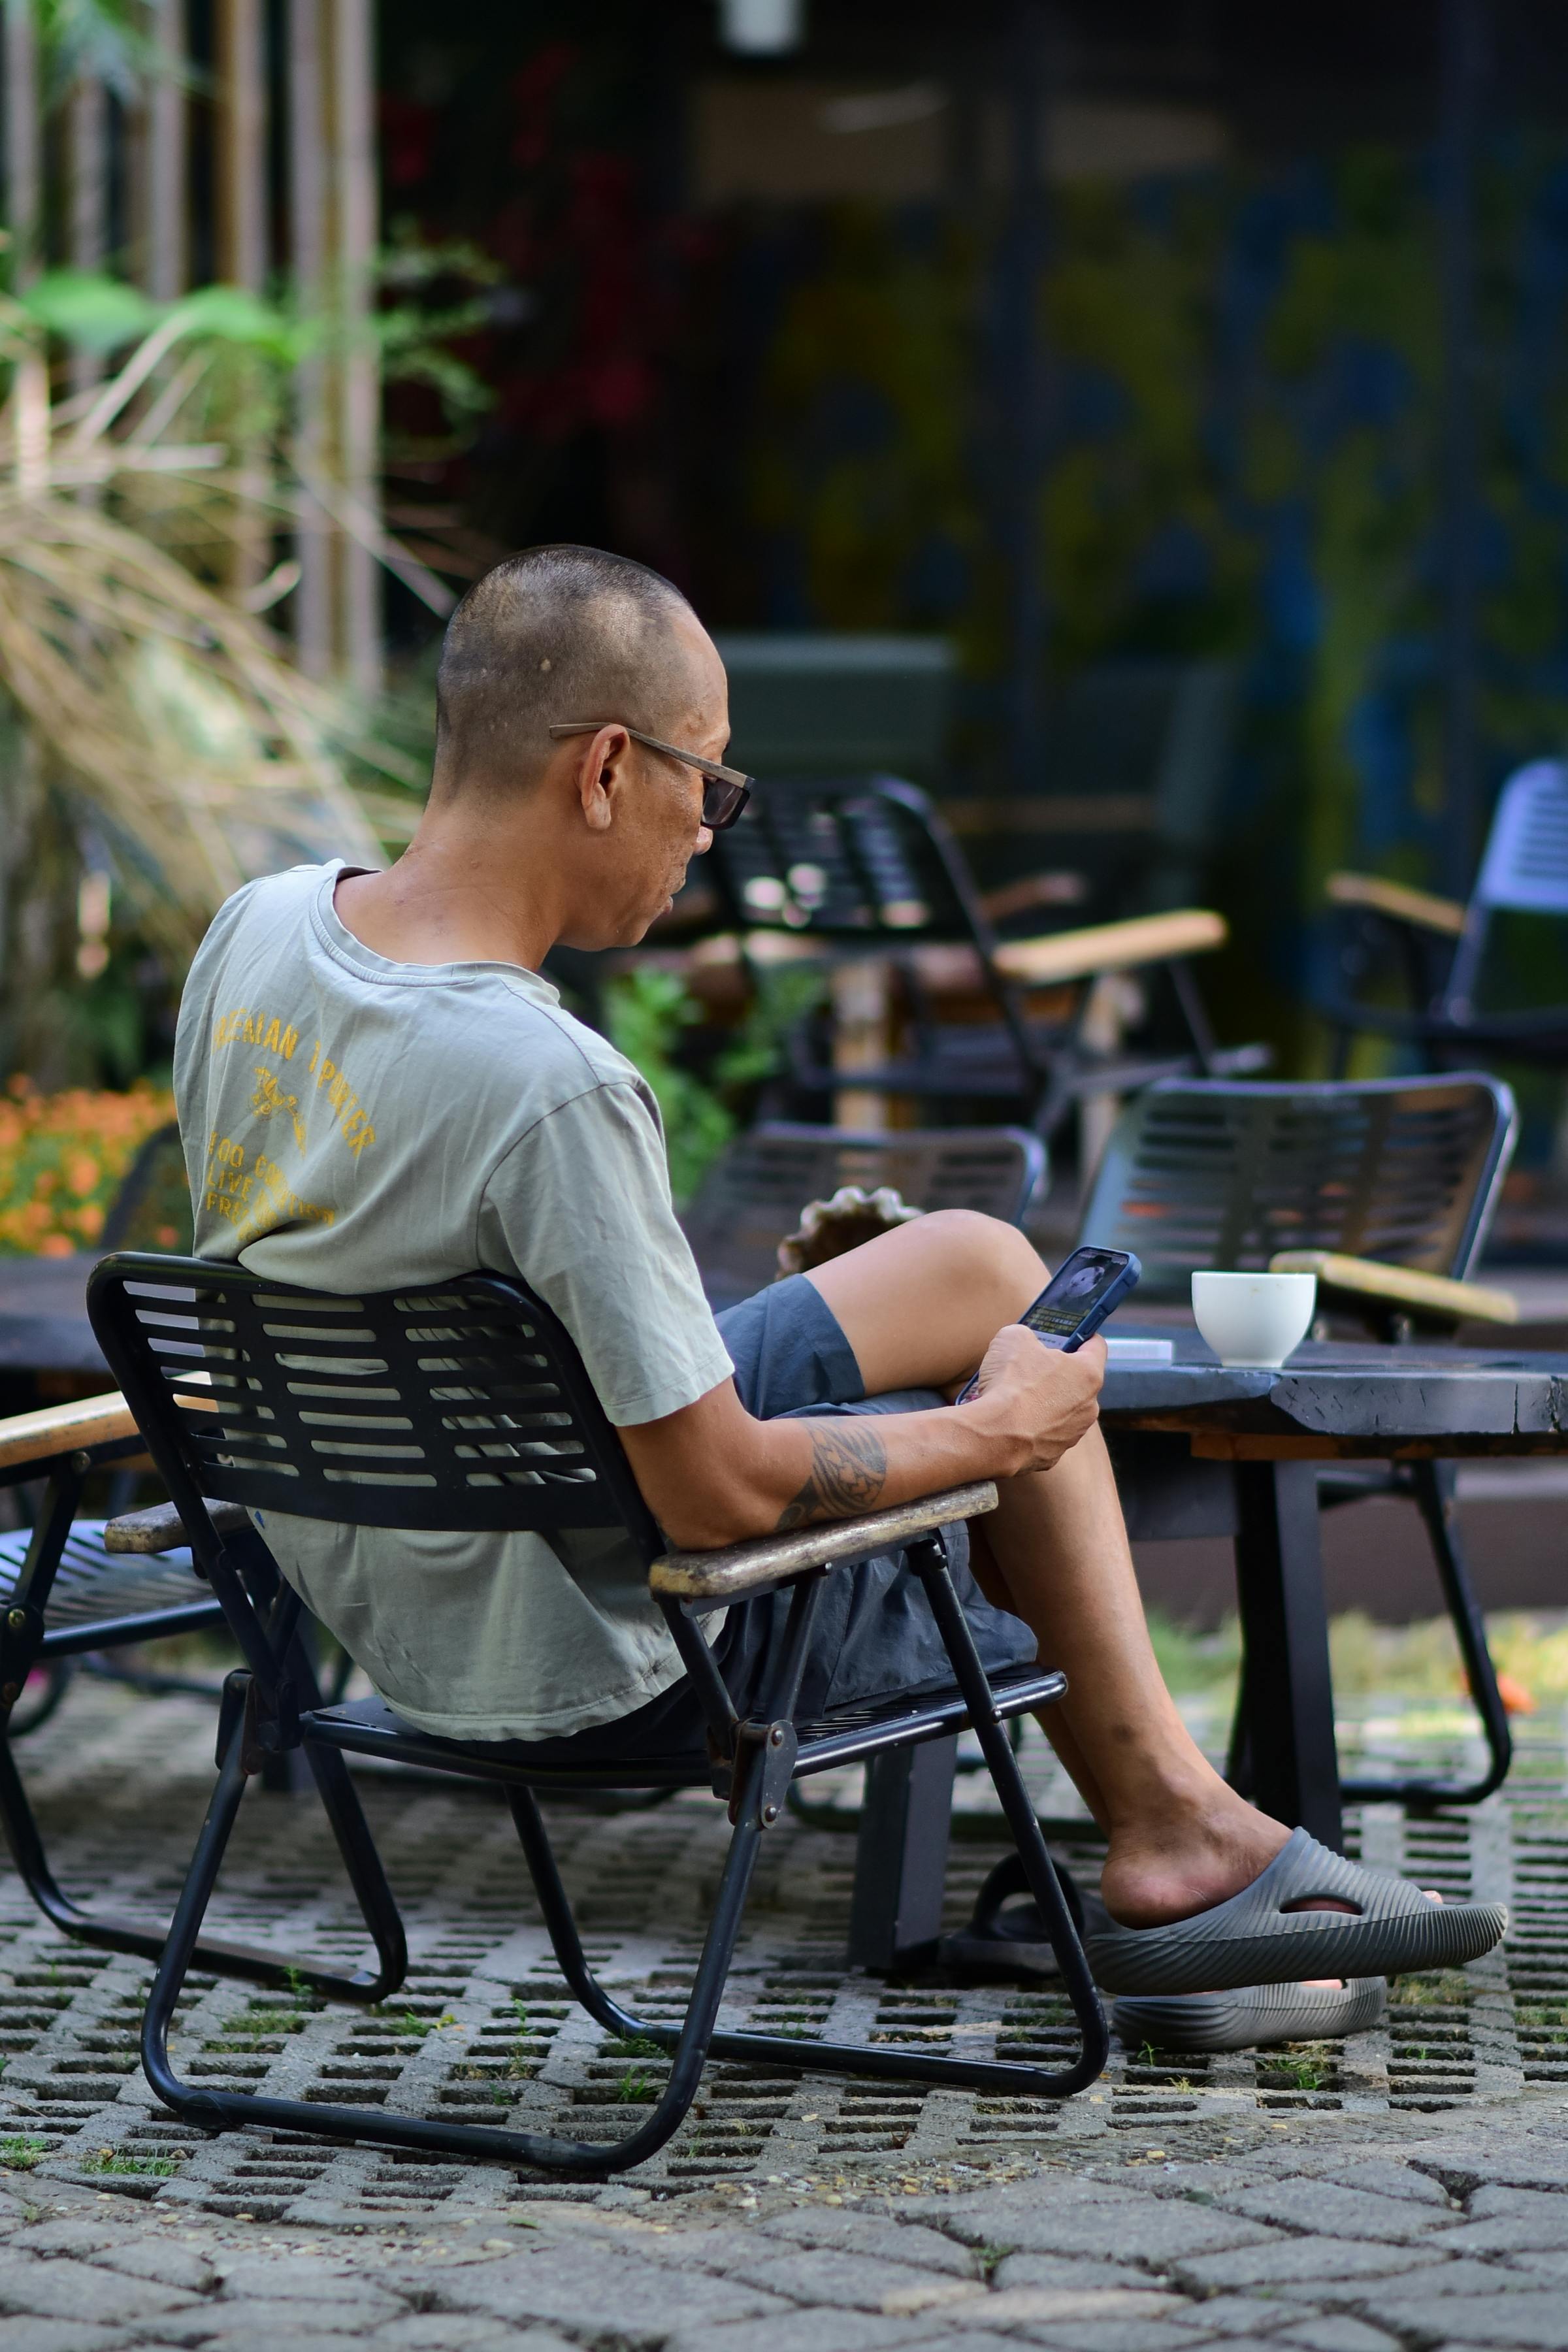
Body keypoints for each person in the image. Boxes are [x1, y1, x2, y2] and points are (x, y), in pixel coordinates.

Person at [172, 544, 1503, 2011]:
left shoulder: (261, 932)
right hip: (606, 1665)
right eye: (711, 781)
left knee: (977, 1267)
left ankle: (1178, 1831)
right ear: (608, 768)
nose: (712, 831)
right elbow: (716, 1499)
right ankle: (1179, 1842)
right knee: (1015, 1385)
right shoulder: (548, 1085)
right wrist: (1002, 1433)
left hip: (389, 1607)